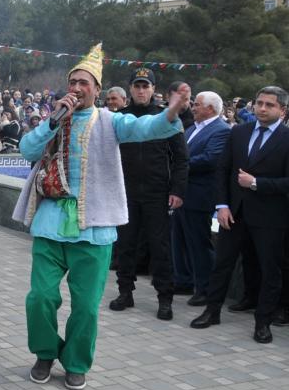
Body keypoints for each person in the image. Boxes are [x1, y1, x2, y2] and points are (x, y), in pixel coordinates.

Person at [13, 43, 189, 390]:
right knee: (40, 298)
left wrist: (171, 112)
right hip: (49, 226)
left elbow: (144, 129)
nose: (77, 88)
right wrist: (52, 121)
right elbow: (27, 150)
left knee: (86, 307)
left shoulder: (110, 121)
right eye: (73, 82)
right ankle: (45, 353)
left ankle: (76, 362)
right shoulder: (54, 120)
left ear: (97, 89)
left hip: (94, 229)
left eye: (84, 83)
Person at [190, 86, 289, 344]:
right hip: (233, 213)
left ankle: (263, 322)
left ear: (282, 110)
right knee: (222, 263)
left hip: (270, 217)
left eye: (269, 105)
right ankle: (212, 311)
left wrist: (257, 183)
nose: (262, 108)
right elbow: (223, 170)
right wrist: (222, 205)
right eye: (259, 103)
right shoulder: (239, 132)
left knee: (270, 270)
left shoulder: (286, 138)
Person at [108, 68, 188, 321]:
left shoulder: (166, 117)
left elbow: (181, 159)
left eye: (146, 86)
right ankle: (125, 292)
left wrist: (177, 190)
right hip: (126, 192)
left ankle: (165, 298)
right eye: (137, 86)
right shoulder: (119, 118)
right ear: (130, 89)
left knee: (160, 247)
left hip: (157, 192)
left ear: (154, 89)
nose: (141, 91)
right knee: (125, 245)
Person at [171, 91, 229, 301]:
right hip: (182, 193)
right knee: (179, 240)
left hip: (199, 195)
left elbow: (210, 159)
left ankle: (205, 289)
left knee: (199, 244)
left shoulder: (221, 130)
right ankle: (184, 281)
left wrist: (178, 165)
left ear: (210, 109)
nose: (193, 108)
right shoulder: (192, 128)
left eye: (197, 104)